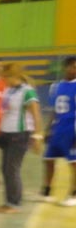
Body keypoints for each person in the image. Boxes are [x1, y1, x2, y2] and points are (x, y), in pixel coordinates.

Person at [0, 63, 43, 212]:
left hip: (19, 134)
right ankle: (9, 201)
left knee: (12, 169)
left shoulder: (27, 91)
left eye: (5, 77)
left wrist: (37, 136)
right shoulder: (8, 90)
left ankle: (14, 203)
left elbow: (36, 115)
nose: (3, 79)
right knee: (5, 168)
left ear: (13, 76)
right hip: (6, 133)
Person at [40, 56, 76, 206]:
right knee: (48, 160)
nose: (74, 70)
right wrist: (47, 129)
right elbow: (53, 110)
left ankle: (73, 194)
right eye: (72, 66)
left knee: (73, 163)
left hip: (72, 129)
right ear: (65, 67)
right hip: (58, 129)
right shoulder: (56, 86)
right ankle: (48, 191)